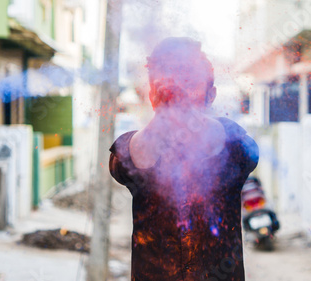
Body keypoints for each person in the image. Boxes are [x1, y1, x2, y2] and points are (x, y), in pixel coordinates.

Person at [109, 37, 259, 281]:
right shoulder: (234, 144)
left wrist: (168, 111)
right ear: (211, 96)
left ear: (152, 96)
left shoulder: (232, 144)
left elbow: (127, 161)